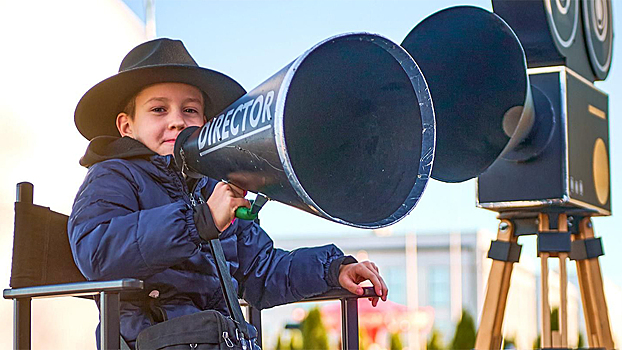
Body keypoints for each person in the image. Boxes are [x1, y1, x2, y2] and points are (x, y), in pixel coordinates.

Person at [68, 38, 388, 348]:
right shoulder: (113, 174)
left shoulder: (213, 186)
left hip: (218, 339)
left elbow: (259, 271)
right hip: (153, 340)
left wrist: (332, 270)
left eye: (190, 110)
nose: (177, 121)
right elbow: (97, 252)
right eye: (158, 110)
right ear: (126, 126)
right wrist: (199, 220)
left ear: (206, 122)